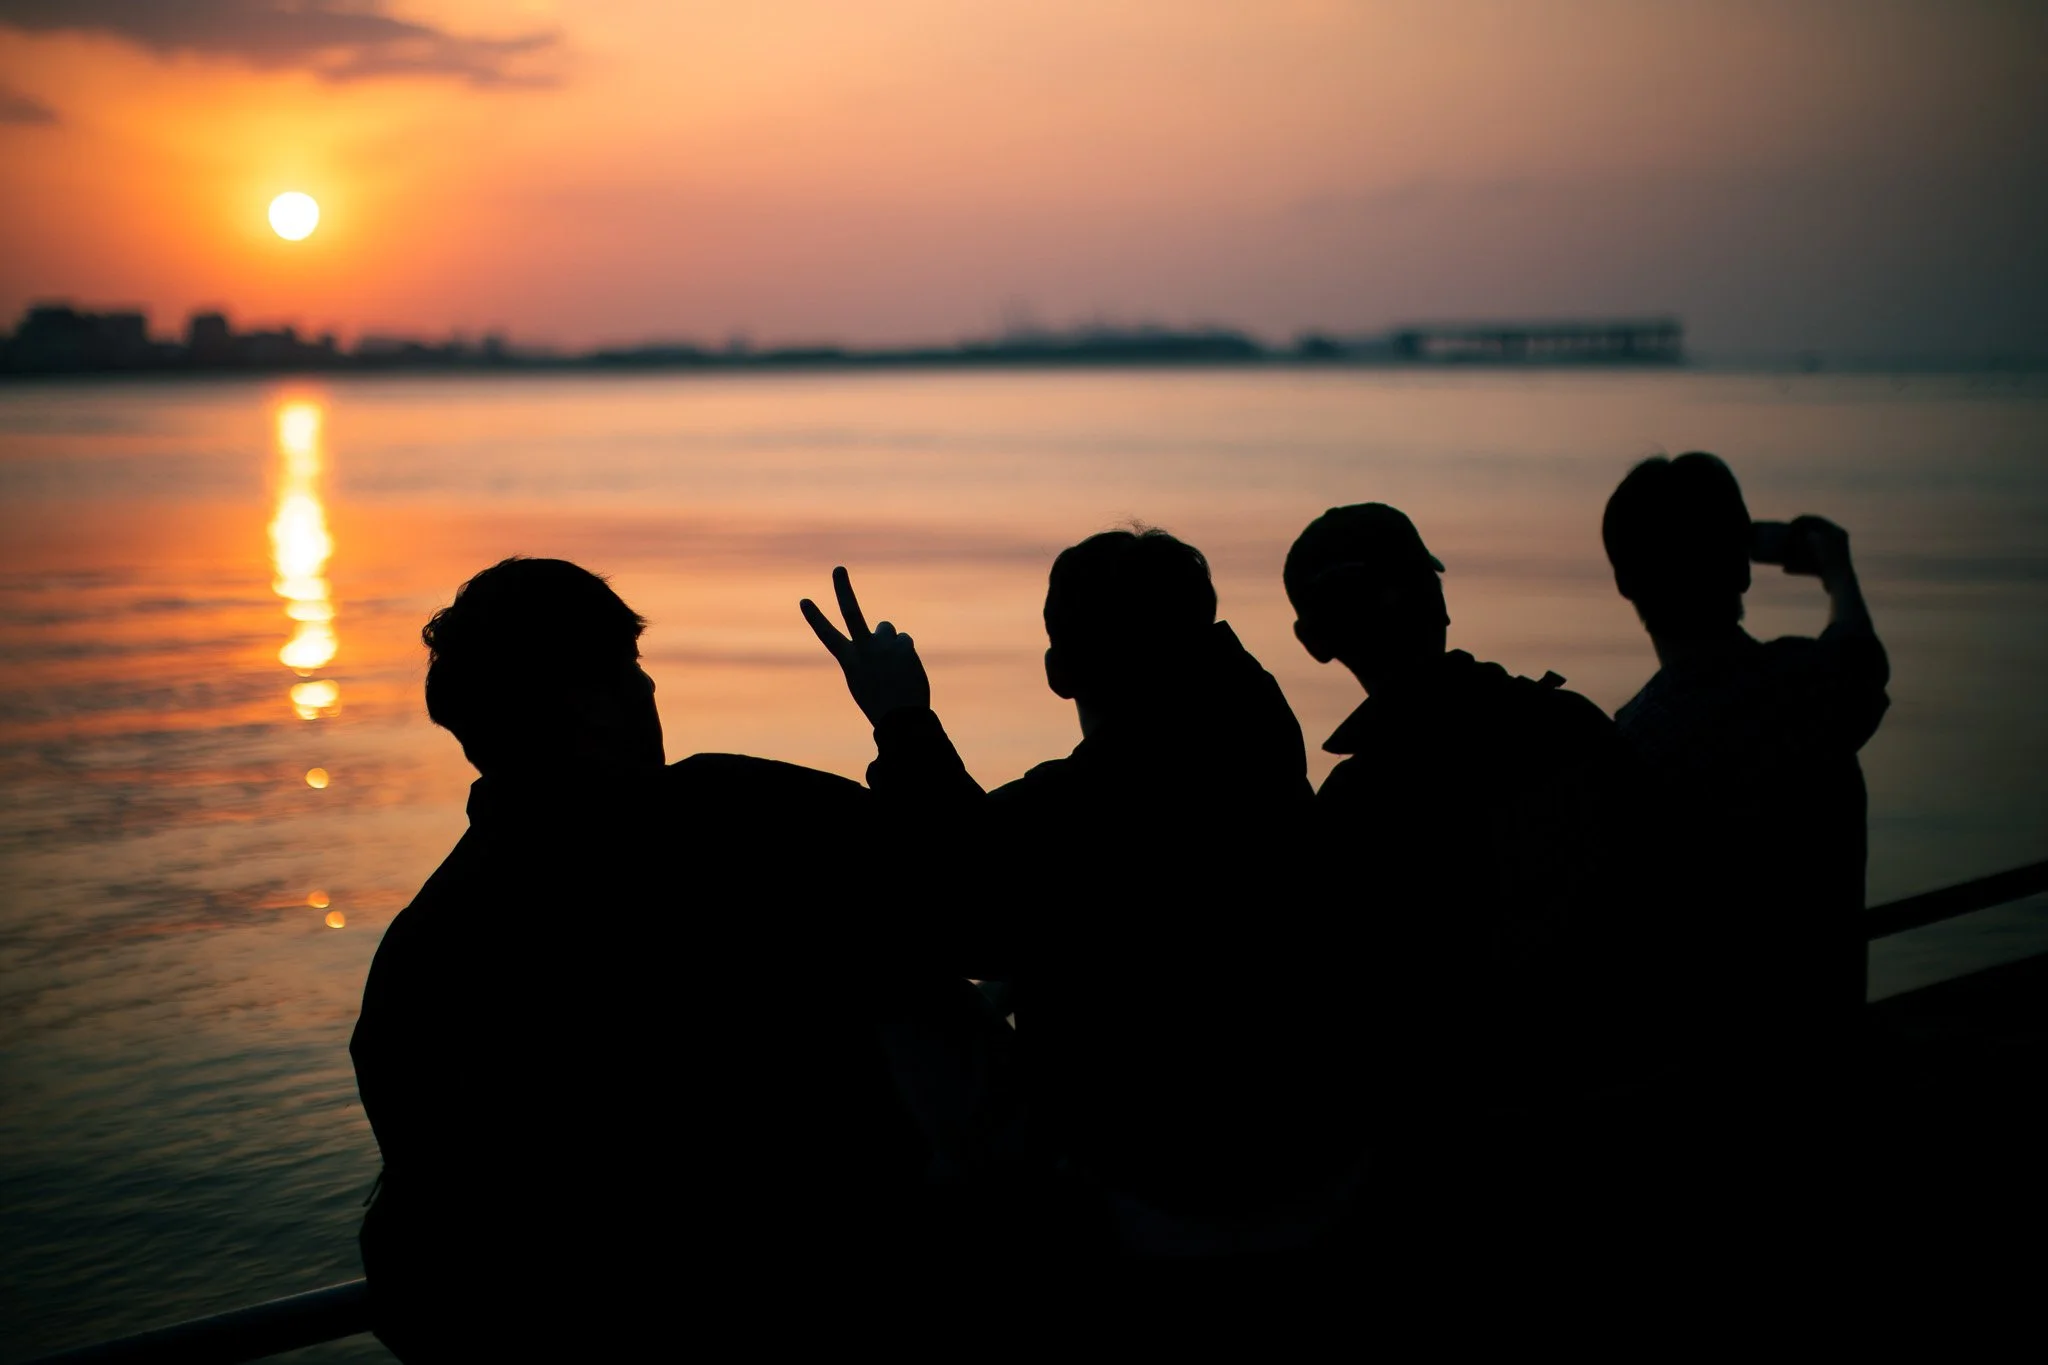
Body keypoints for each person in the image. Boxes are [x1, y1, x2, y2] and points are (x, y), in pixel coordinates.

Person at [350, 557, 1024, 1360]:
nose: (648, 689)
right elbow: (987, 916)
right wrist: (904, 720)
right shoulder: (744, 824)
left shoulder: (423, 955)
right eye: (630, 666)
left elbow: (432, 1236)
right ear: (590, 701)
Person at [801, 530, 1365, 1269]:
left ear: (1058, 669)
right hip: (1315, 1162)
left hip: (1166, 1193)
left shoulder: (1119, 790)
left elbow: (967, 903)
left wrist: (902, 717)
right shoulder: (1256, 743)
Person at [1283, 503, 1630, 1240]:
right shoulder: (1577, 728)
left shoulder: (1349, 812)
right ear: (1439, 599)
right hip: (1620, 1118)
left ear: (1314, 643)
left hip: (1449, 1166)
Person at [1602, 453, 1888, 1064]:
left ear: (1625, 582)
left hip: (1694, 1071)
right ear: (1743, 568)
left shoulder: (1625, 748)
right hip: (1825, 1052)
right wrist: (1837, 573)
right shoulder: (1811, 689)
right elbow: (1862, 656)